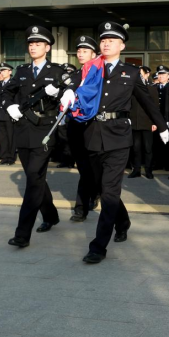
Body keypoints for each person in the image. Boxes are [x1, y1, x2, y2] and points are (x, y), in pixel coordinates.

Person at [76, 22, 169, 264]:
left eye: (112, 40)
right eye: (103, 39)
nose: (106, 43)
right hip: (93, 134)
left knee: (109, 190)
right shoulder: (89, 69)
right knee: (103, 188)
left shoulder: (131, 72)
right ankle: (124, 220)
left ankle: (98, 247)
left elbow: (148, 102)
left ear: (122, 45)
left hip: (118, 136)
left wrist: (162, 125)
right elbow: (75, 93)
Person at [2, 26, 74, 247]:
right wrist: (10, 105)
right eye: (31, 44)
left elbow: (72, 85)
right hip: (23, 130)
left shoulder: (56, 71)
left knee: (33, 179)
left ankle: (23, 234)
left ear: (48, 47)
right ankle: (51, 215)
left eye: (38, 44)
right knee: (37, 178)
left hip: (45, 129)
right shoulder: (22, 71)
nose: (33, 47)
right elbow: (6, 90)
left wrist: (67, 93)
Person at [67, 37, 102, 222]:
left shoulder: (99, 73)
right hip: (75, 125)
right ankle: (83, 204)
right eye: (79, 51)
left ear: (94, 54)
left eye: (85, 51)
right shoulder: (75, 74)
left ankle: (89, 199)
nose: (80, 53)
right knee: (83, 167)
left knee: (93, 167)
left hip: (93, 125)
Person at [127, 65, 158, 180]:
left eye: (141, 74)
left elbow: (155, 107)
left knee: (148, 148)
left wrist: (155, 122)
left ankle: (148, 170)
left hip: (147, 123)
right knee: (136, 148)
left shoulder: (151, 88)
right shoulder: (132, 87)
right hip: (134, 122)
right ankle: (136, 170)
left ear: (147, 74)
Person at [0, 63, 16, 165]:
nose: (2, 72)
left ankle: (11, 158)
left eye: (5, 70)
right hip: (1, 115)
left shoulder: (13, 83)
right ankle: (4, 157)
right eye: (1, 70)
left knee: (11, 137)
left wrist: (16, 113)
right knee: (3, 138)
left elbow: (17, 99)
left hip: (10, 115)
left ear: (10, 72)